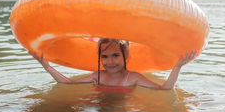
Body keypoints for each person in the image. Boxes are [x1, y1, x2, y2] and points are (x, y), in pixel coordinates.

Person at [30, 38, 197, 90]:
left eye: (116, 55)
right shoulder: (98, 75)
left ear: (125, 56)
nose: (110, 62)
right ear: (100, 58)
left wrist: (177, 67)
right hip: (96, 109)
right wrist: (48, 67)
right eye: (105, 56)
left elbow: (164, 88)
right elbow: (68, 83)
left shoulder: (133, 78)